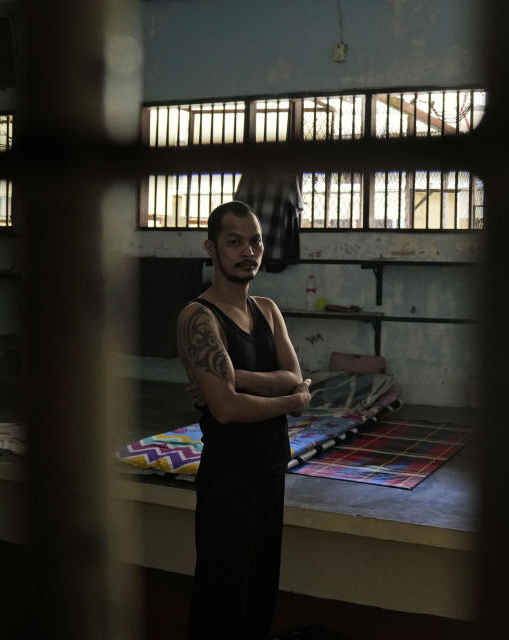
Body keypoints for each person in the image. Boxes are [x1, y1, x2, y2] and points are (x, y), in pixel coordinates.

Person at [176, 200, 311, 639]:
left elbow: (295, 376)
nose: (247, 250)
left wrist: (233, 377)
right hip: (228, 481)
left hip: (272, 473)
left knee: (258, 603)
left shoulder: (268, 310)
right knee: (221, 608)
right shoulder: (198, 317)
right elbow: (228, 409)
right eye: (234, 241)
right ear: (211, 248)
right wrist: (288, 401)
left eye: (254, 240)